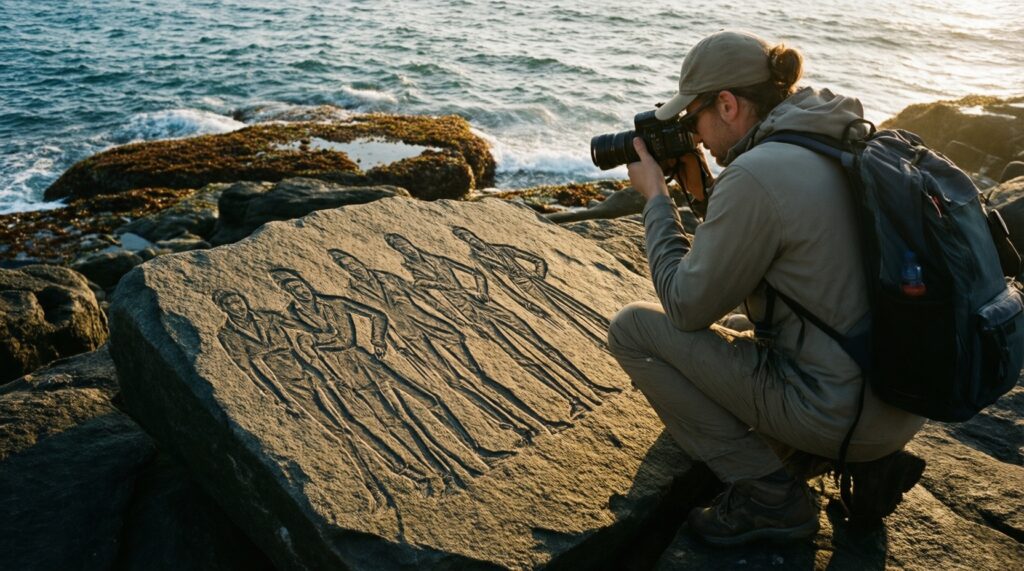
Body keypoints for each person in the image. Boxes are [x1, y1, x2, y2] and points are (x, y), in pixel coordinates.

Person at [606, 30, 926, 545]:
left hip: (838, 413)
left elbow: (687, 307)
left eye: (692, 121)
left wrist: (655, 201)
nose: (696, 138)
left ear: (728, 104)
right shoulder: (836, 137)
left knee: (632, 330)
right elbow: (754, 261)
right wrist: (701, 194)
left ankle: (769, 497)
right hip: (901, 395)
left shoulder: (757, 174)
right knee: (737, 323)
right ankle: (867, 461)